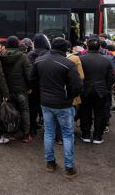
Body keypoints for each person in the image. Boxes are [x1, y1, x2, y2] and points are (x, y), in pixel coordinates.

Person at [30, 37, 82, 178]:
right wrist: (69, 97)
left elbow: (32, 81)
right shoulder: (68, 63)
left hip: (46, 102)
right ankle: (69, 168)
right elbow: (77, 86)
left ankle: (50, 163)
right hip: (63, 104)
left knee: (49, 132)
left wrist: (42, 93)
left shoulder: (39, 60)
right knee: (67, 135)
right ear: (65, 49)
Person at [79, 38, 114, 144]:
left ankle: (85, 134)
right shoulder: (107, 60)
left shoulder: (81, 58)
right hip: (101, 90)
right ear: (100, 47)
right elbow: (111, 77)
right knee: (100, 113)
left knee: (85, 112)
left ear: (87, 46)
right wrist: (106, 88)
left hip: (85, 89)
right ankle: (97, 136)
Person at [0, 36, 32, 142]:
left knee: (10, 111)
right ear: (17, 44)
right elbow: (29, 75)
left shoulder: (1, 57)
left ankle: (11, 133)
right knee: (24, 111)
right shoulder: (23, 56)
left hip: (7, 90)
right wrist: (30, 87)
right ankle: (26, 135)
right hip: (21, 90)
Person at [27, 33, 51, 136]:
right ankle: (47, 130)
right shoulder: (48, 54)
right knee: (45, 108)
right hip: (45, 86)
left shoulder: (30, 55)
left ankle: (32, 128)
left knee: (32, 107)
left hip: (33, 86)